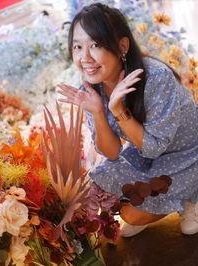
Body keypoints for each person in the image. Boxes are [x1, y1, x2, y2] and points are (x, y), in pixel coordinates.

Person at [57, 2, 198, 237]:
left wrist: (118, 109)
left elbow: (153, 148)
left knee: (131, 214)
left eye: (95, 44)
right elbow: (111, 153)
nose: (85, 57)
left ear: (122, 46)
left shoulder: (155, 78)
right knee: (103, 189)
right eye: (78, 47)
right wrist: (99, 112)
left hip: (188, 153)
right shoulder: (93, 86)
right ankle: (165, 200)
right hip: (148, 156)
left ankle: (191, 198)